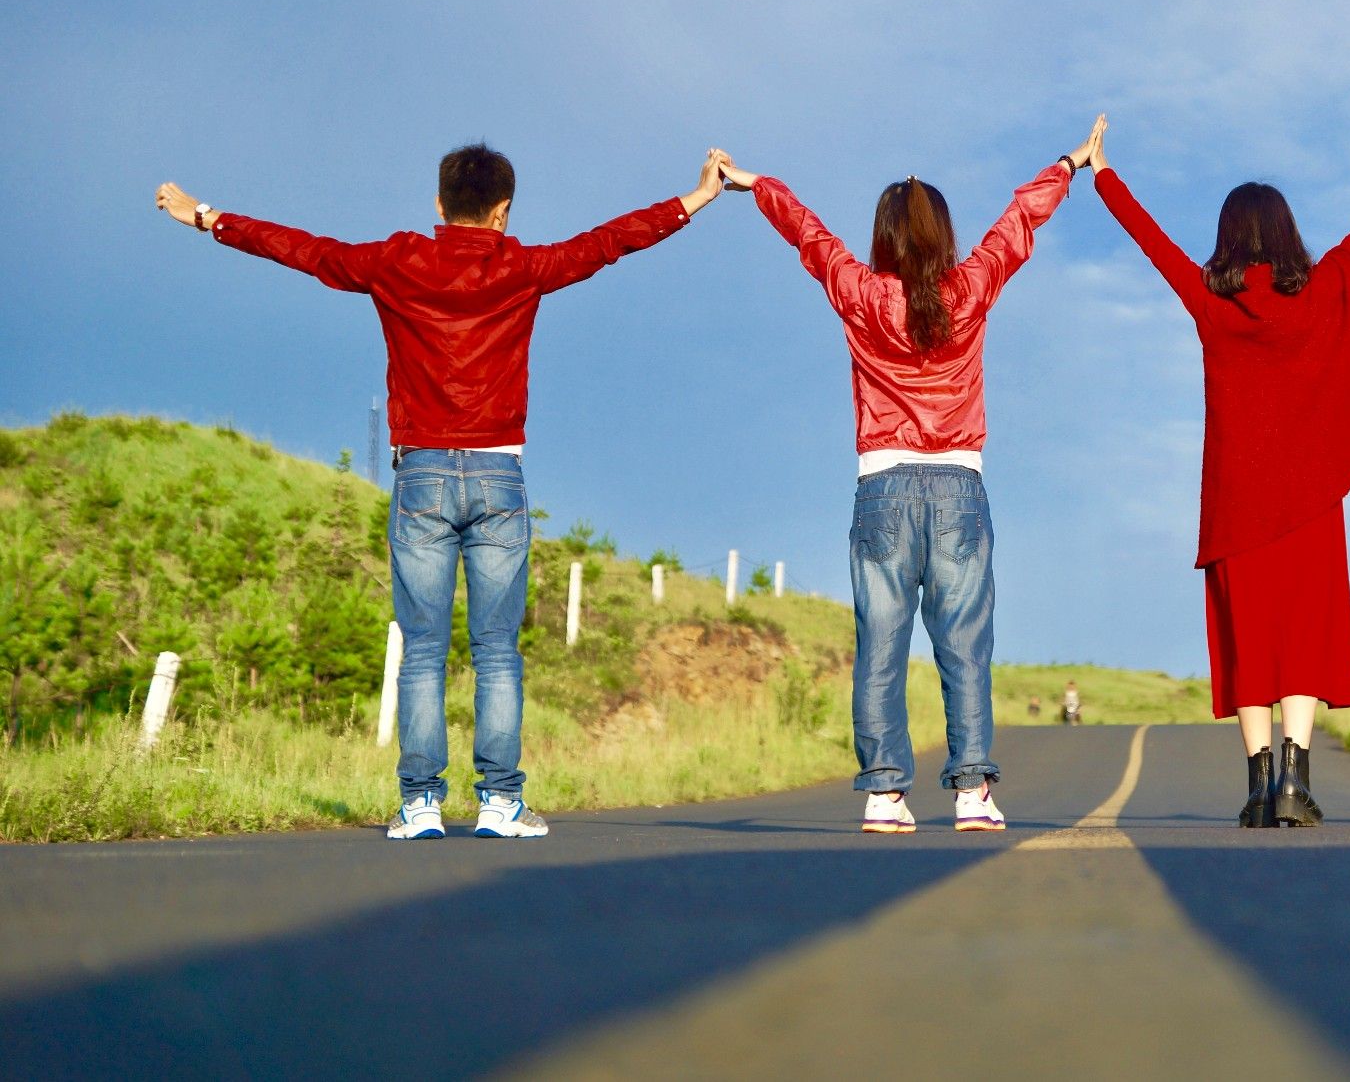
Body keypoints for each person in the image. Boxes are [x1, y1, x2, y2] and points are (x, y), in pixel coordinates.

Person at [154, 145, 731, 839]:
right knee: (496, 649)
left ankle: (420, 802)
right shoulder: (522, 266)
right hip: (498, 476)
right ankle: (499, 802)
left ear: (438, 204)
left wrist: (206, 217)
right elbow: (609, 243)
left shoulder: (397, 261)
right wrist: (694, 198)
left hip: (421, 473)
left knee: (423, 647)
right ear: (503, 210)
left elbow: (304, 250)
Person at [717, 116, 1105, 835]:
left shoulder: (861, 294)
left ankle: (885, 794)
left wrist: (755, 184)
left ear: (884, 238)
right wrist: (1069, 163)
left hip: (882, 487)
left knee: (881, 645)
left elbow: (809, 235)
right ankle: (971, 793)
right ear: (942, 237)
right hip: (959, 486)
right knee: (965, 646)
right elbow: (1017, 224)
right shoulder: (971, 287)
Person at [1093, 121, 1350, 827]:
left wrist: (1102, 174)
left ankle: (1255, 786)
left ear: (1227, 237)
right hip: (1308, 499)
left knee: (1248, 640)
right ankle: (1294, 782)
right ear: (1286, 235)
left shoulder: (1210, 304)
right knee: (1303, 636)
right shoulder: (1316, 293)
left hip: (1235, 503)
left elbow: (1149, 241)